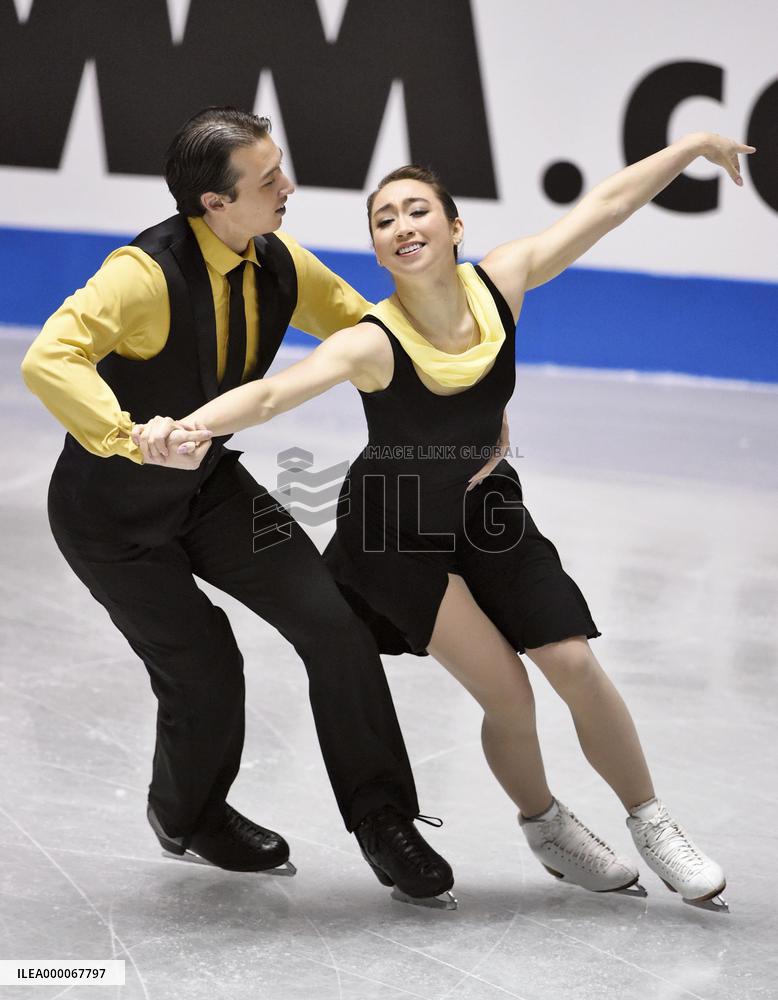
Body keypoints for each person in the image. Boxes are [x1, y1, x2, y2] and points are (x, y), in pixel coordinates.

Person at [140, 129, 753, 912]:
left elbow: (606, 205)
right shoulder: (371, 341)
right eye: (384, 219)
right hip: (393, 534)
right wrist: (184, 428)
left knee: (571, 661)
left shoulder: (505, 281)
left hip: (486, 508)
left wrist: (692, 146)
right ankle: (547, 827)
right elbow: (268, 396)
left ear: (455, 227)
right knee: (511, 694)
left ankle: (652, 821)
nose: (402, 225)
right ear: (377, 249)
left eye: (417, 209)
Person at [21, 107, 457, 909]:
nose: (287, 187)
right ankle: (187, 816)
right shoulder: (142, 274)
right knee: (204, 665)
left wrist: (465, 371)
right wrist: (128, 436)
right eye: (268, 180)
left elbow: (370, 327)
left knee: (334, 624)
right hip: (110, 516)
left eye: (278, 168)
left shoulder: (280, 262)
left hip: (211, 492)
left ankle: (385, 820)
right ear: (215, 202)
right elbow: (49, 356)